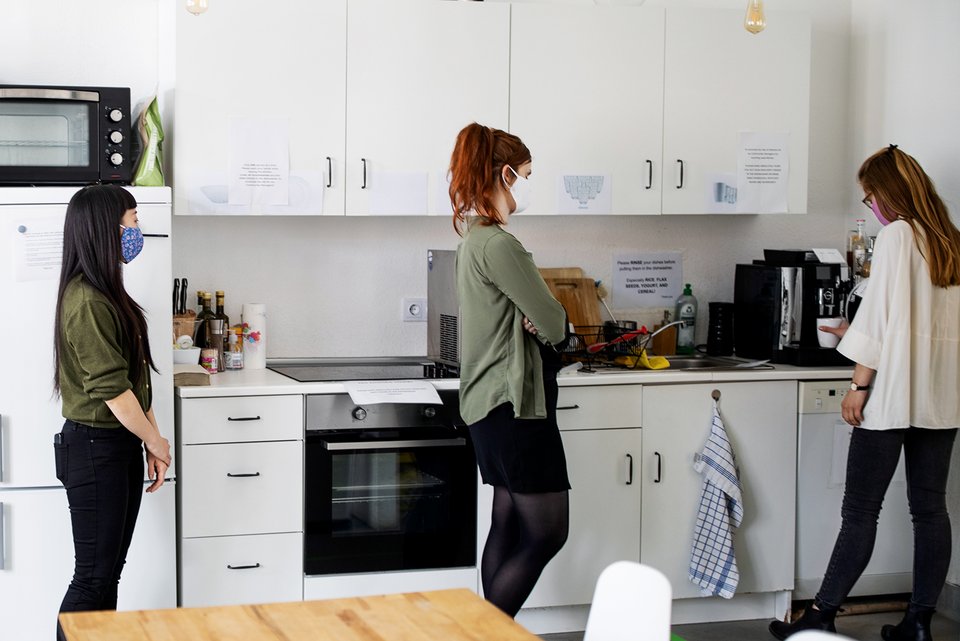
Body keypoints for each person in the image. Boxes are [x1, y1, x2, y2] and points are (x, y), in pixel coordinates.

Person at [769, 145, 960, 640]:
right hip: (941, 395)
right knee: (930, 509)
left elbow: (878, 322)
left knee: (859, 510)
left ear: (890, 193)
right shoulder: (950, 241)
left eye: (871, 194)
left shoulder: (897, 236)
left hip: (891, 394)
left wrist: (857, 385)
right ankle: (918, 623)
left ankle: (821, 615)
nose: (870, 203)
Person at [449, 122, 571, 617]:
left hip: (487, 406)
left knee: (506, 524)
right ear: (503, 173)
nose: (523, 186)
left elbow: (529, 317)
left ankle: (487, 630)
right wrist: (540, 320)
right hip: (515, 407)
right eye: (523, 174)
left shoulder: (472, 241)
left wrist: (532, 318)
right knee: (547, 533)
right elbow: (556, 322)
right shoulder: (500, 243)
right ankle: (484, 633)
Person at [52, 185, 172, 639]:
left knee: (108, 576)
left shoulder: (107, 293)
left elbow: (135, 381)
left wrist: (152, 442)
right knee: (92, 579)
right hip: (94, 449)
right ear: (108, 227)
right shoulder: (85, 300)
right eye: (133, 220)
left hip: (116, 445)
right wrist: (155, 442)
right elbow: (112, 391)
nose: (137, 229)